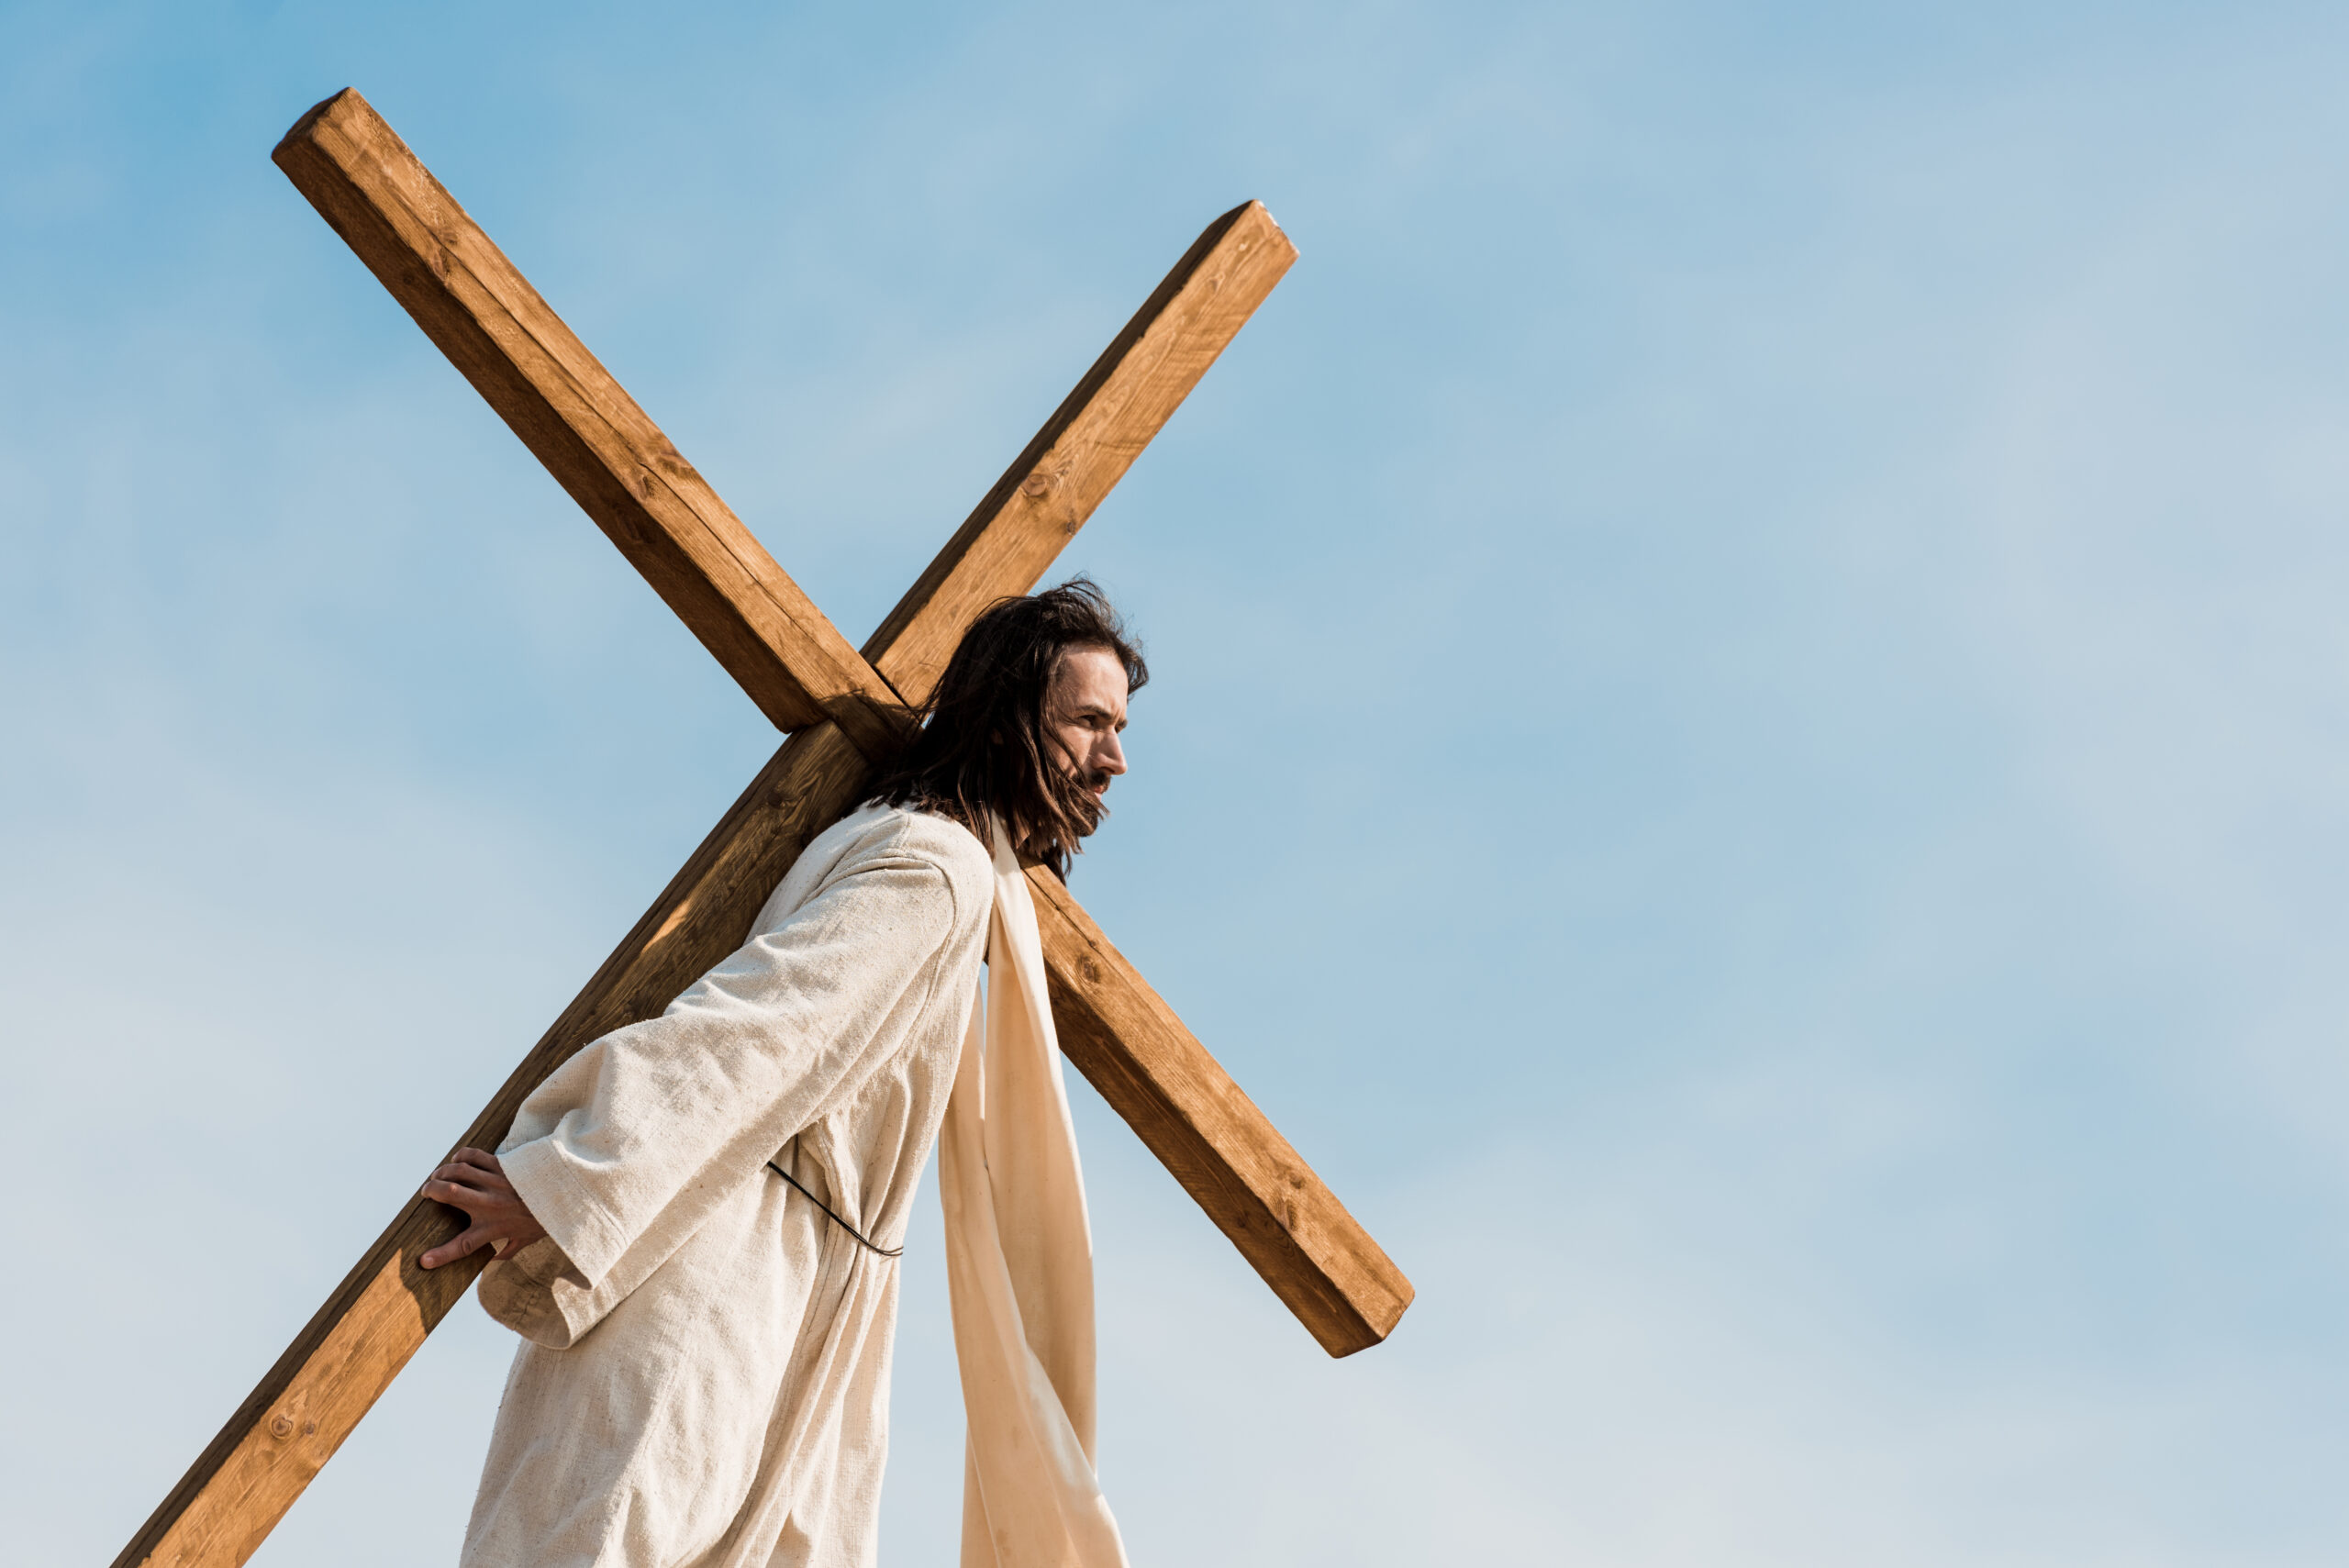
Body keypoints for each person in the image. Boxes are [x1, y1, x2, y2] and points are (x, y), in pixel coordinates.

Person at [417, 579, 1145, 1568]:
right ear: (1012, 719)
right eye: (1088, 722)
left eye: (1118, 727)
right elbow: (756, 1031)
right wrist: (568, 1181)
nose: (1113, 759)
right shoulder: (932, 868)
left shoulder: (944, 868)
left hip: (803, 1293)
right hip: (719, 1279)